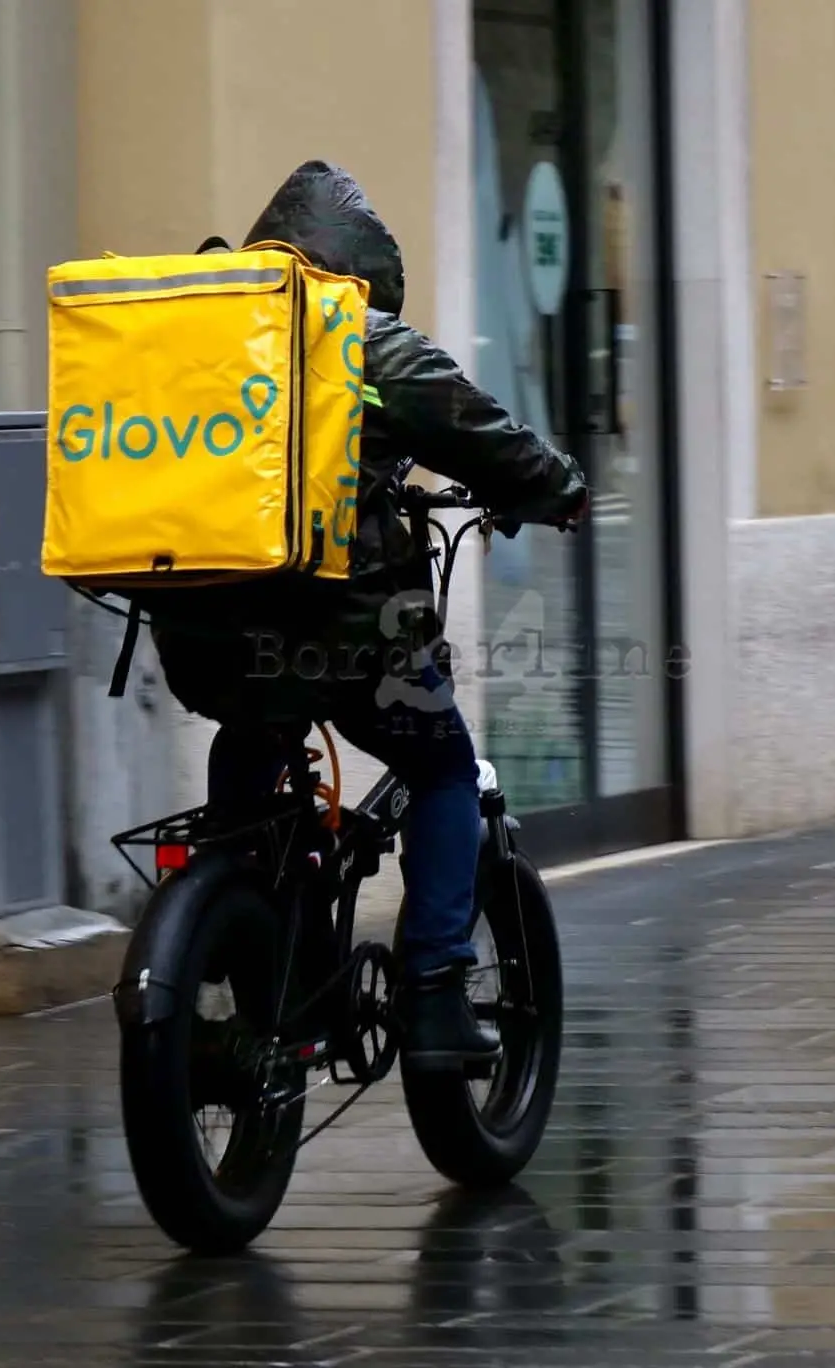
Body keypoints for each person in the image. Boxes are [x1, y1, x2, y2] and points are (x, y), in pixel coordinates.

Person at [145, 162, 588, 1072]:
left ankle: (246, 923)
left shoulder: (195, 339)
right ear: (355, 276)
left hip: (202, 633)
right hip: (345, 641)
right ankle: (432, 992)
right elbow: (485, 438)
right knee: (443, 769)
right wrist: (561, 489)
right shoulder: (362, 343)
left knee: (257, 728)